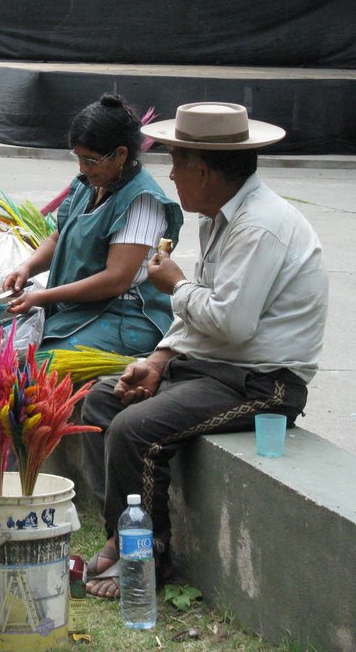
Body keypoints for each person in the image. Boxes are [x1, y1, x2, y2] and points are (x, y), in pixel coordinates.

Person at [80, 101, 329, 599]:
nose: (169, 174)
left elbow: (231, 323)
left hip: (263, 382)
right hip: (215, 367)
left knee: (135, 429)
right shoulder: (219, 215)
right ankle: (120, 534)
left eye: (176, 163)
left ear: (205, 170)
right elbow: (205, 315)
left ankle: (147, 560)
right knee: (102, 402)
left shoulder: (259, 226)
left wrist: (175, 285)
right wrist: (158, 361)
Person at [2, 94, 183, 355]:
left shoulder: (142, 201)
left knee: (35, 364)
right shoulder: (88, 184)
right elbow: (59, 236)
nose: (83, 168)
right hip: (79, 308)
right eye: (78, 157)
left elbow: (116, 280)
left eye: (91, 160)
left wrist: (42, 297)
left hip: (124, 317)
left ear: (121, 154)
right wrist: (27, 267)